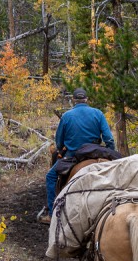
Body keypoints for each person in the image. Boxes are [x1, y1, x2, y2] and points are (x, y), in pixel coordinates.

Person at [42, 89, 116, 223]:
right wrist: (110, 154)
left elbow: (59, 141)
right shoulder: (98, 113)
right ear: (86, 99)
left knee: (51, 177)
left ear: (74, 100)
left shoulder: (67, 116)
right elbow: (108, 138)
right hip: (96, 151)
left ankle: (52, 214)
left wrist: (62, 149)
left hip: (73, 156)